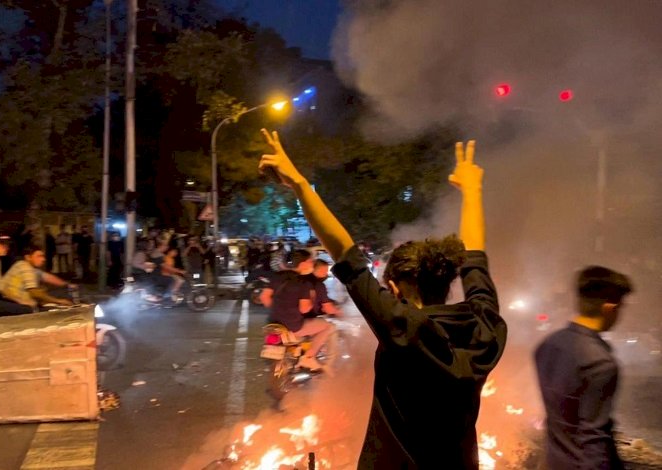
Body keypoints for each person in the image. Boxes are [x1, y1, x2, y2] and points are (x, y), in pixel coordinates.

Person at [258, 130, 507, 469]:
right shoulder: (484, 327)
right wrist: (474, 191)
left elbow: (345, 253)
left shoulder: (402, 327)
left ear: (393, 286)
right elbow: (476, 257)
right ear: (450, 278)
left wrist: (300, 185)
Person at [534, 266, 633, 470]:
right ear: (609, 307)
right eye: (620, 306)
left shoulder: (548, 345)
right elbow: (593, 440)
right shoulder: (600, 363)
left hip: (552, 462)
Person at [260, 249, 338, 372]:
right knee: (327, 327)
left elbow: (264, 297)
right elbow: (304, 308)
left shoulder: (277, 276)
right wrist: (312, 299)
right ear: (302, 264)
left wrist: (278, 309)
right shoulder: (303, 282)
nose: (312, 263)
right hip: (293, 325)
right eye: (310, 261)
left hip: (273, 322)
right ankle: (309, 357)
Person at [2, 245, 75, 311]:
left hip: (15, 302)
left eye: (43, 256)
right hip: (17, 305)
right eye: (39, 256)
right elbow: (35, 293)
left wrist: (66, 284)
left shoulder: (23, 265)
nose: (43, 259)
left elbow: (47, 277)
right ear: (28, 257)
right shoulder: (25, 268)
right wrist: (59, 301)